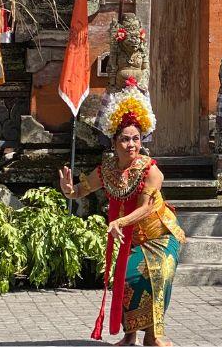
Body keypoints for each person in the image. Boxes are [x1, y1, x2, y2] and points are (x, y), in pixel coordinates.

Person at [59, 81, 184, 346]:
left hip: (162, 235)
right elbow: (81, 190)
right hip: (134, 239)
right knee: (128, 279)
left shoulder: (151, 170)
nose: (131, 144)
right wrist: (69, 190)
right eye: (125, 139)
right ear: (114, 142)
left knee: (158, 275)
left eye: (136, 139)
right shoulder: (107, 170)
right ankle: (130, 336)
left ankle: (153, 336)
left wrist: (119, 221)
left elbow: (146, 207)